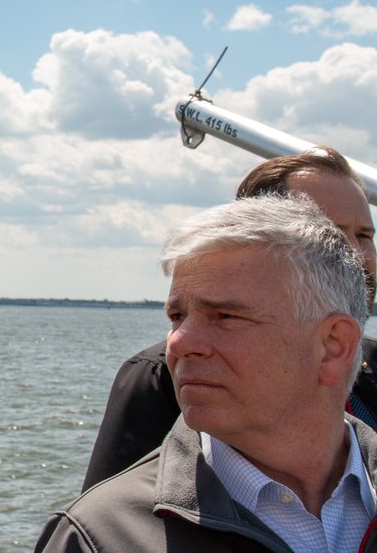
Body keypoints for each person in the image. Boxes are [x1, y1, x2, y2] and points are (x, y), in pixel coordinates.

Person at [36, 194, 377, 552]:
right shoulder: (101, 535)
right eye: (177, 317)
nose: (179, 342)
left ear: (333, 346)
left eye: (225, 316)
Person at [82, 146, 377, 490]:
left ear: (337, 345)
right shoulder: (163, 376)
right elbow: (120, 515)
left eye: (365, 235)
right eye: (328, 233)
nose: (356, 255)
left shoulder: (372, 366)